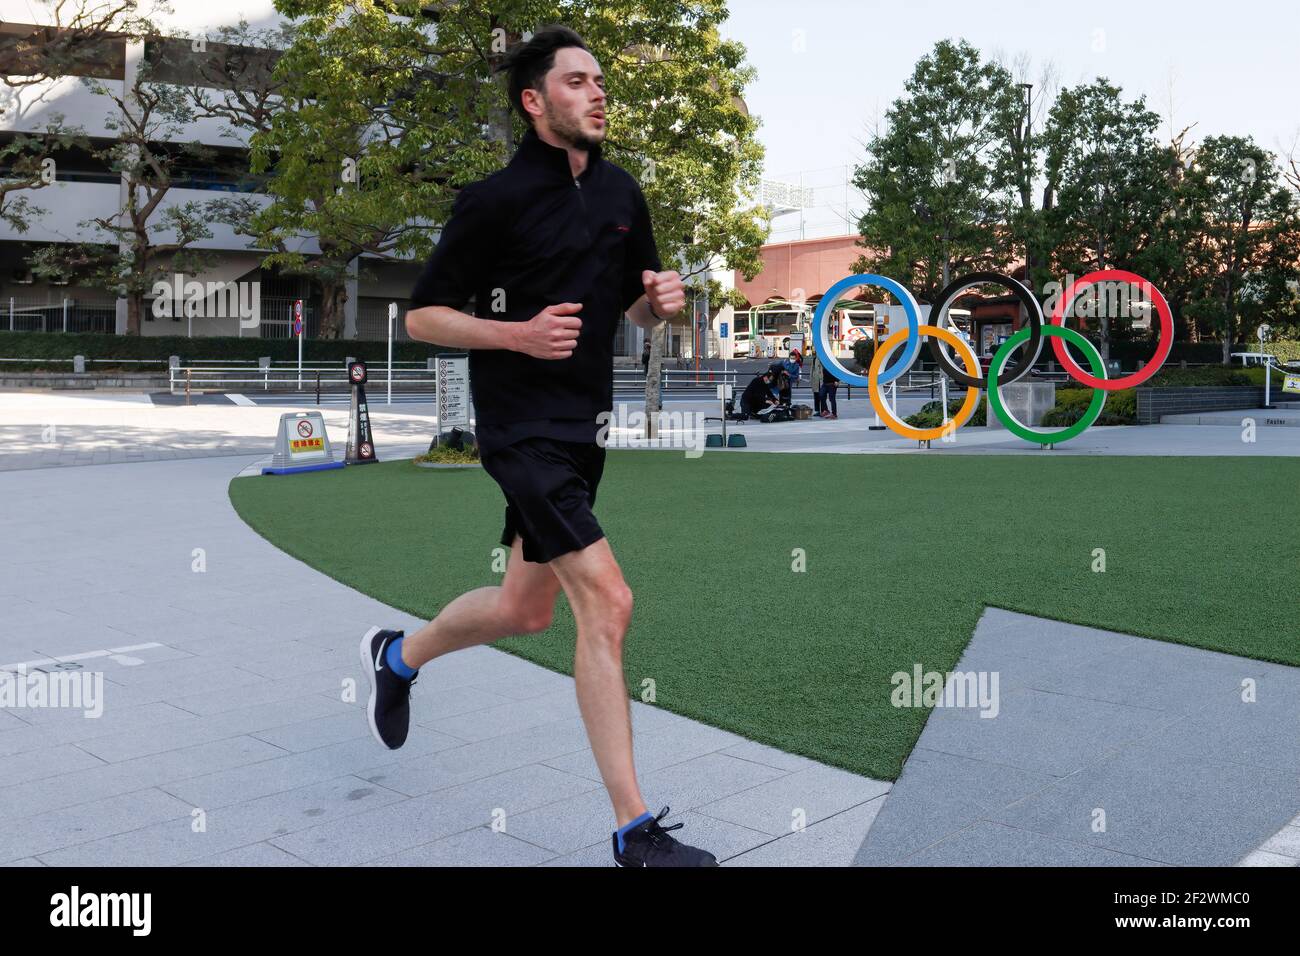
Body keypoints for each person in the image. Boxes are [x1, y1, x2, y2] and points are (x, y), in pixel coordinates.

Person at [369, 26, 716, 868]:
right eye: (577, 81)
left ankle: (398, 656)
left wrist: (660, 302)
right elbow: (423, 316)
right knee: (609, 601)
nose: (598, 93)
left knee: (526, 610)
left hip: (584, 430)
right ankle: (634, 831)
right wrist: (515, 335)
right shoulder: (492, 201)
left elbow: (634, 310)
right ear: (535, 101)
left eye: (601, 81)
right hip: (518, 432)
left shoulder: (623, 192)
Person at [810, 351, 824, 415]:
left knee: (822, 396)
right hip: (815, 380)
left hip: (822, 381)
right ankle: (817, 410)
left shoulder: (824, 359)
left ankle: (823, 410)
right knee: (816, 396)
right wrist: (811, 379)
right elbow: (811, 370)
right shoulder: (814, 359)